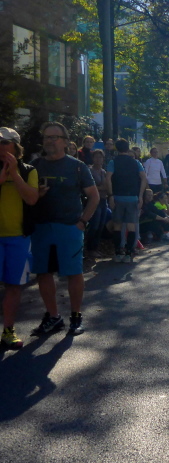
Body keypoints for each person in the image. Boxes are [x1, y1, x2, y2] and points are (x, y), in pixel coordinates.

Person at [30, 122, 99, 336]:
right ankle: (53, 317)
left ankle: (76, 317)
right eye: (46, 137)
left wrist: (82, 222)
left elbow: (94, 196)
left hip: (69, 227)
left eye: (54, 137)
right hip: (41, 227)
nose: (49, 141)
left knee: (73, 273)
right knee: (43, 273)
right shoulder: (34, 166)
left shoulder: (77, 166)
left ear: (65, 141)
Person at [0, 127, 39, 349]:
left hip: (19, 238)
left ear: (16, 146)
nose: (1, 147)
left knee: (14, 286)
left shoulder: (28, 170)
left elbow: (32, 199)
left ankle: (8, 331)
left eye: (5, 143)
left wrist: (14, 173)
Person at [106, 139, 148, 262]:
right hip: (132, 197)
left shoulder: (113, 162)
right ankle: (129, 253)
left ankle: (118, 252)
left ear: (116, 148)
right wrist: (140, 195)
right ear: (127, 148)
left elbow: (108, 178)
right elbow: (144, 178)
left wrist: (111, 195)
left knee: (117, 226)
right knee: (131, 226)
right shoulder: (136, 163)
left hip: (117, 197)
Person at [86, 149, 109, 257]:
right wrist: (101, 188)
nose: (98, 159)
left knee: (101, 225)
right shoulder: (90, 170)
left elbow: (107, 187)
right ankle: (90, 248)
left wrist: (101, 187)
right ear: (93, 158)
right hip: (94, 201)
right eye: (96, 157)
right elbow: (91, 186)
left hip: (104, 200)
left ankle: (95, 248)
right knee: (94, 225)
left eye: (100, 157)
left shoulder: (104, 172)